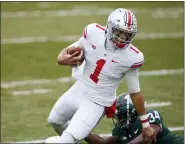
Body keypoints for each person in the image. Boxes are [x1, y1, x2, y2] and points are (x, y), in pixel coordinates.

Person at [45, 8, 155, 143]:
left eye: (126, 35)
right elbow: (73, 48)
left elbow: (135, 93)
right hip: (80, 89)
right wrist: (61, 57)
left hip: (98, 102)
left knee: (66, 139)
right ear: (109, 27)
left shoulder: (132, 57)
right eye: (118, 32)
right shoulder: (93, 32)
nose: (121, 38)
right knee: (54, 120)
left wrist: (146, 124)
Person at [84, 93, 184, 144]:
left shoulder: (148, 116)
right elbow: (103, 142)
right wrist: (81, 133)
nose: (120, 120)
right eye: (118, 117)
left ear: (133, 111)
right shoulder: (120, 130)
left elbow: (148, 137)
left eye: (122, 115)